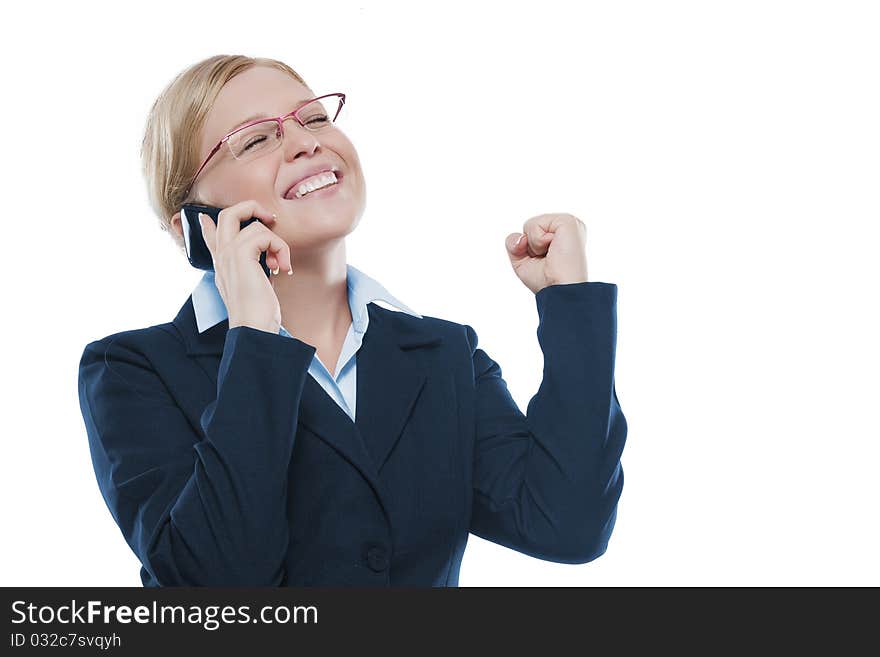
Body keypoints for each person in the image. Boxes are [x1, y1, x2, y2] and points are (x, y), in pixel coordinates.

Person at [77, 54, 628, 587]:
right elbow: (217, 586)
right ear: (190, 226)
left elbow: (569, 525)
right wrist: (254, 335)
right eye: (255, 139)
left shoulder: (444, 355)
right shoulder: (131, 371)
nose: (305, 141)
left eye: (313, 117)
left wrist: (570, 302)